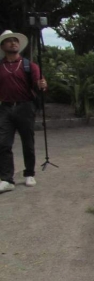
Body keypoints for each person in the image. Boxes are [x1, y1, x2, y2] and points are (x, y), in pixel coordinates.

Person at [0, 30, 48, 193]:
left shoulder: (29, 65)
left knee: (28, 142)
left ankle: (29, 173)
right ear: (3, 46)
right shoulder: (0, 66)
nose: (13, 43)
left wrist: (42, 85)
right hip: (5, 107)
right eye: (9, 41)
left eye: (15, 41)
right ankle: (7, 179)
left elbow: (40, 85)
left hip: (25, 106)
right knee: (3, 144)